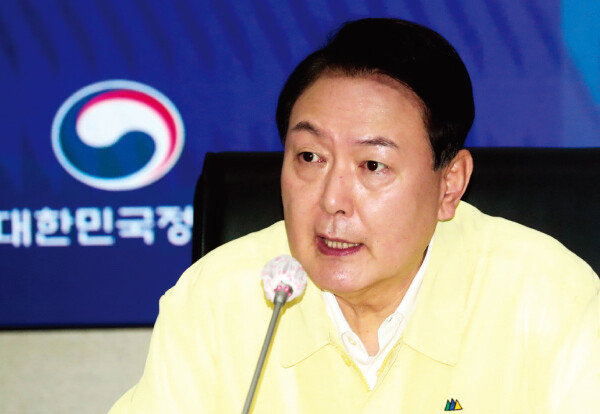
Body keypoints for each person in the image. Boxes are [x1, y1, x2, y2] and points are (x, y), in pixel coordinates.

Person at [110, 18, 600, 413]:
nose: (332, 201)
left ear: (449, 184)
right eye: (310, 157)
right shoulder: (216, 300)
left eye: (372, 166)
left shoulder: (548, 299)